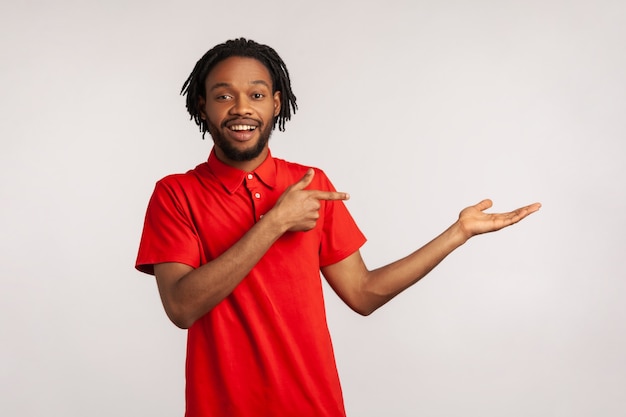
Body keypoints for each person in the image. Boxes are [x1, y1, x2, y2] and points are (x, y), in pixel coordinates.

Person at [135, 38, 541, 417]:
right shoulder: (176, 194)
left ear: (276, 104)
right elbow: (182, 307)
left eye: (257, 95)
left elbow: (363, 294)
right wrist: (276, 222)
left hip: (314, 406)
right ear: (202, 105)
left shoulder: (311, 186)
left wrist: (458, 233)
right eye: (224, 96)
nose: (242, 108)